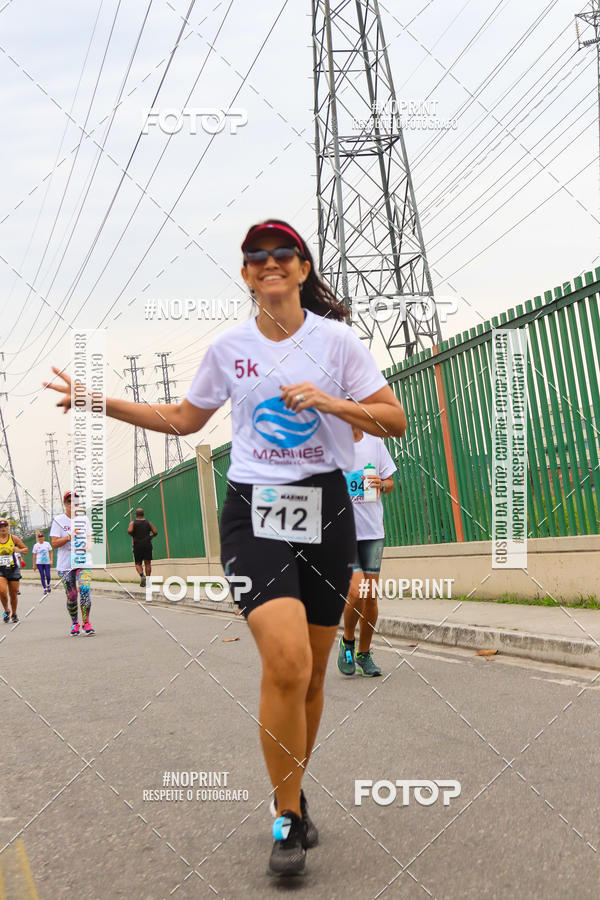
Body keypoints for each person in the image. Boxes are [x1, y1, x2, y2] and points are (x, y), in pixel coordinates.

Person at [45, 218, 406, 877]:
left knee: (317, 671)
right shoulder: (229, 348)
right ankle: (287, 820)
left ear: (301, 268)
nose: (269, 263)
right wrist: (99, 401)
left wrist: (332, 401)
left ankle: (291, 796)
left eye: (282, 254)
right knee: (288, 661)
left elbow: (393, 418)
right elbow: (184, 420)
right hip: (255, 510)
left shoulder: (338, 343)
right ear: (246, 275)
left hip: (326, 508)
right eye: (255, 257)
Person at [338, 427, 396, 677]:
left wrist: (381, 484)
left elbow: (391, 483)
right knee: (356, 591)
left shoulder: (375, 443)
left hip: (373, 533)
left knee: (370, 597)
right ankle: (347, 641)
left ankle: (363, 653)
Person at [50, 491, 94, 636]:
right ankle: (75, 623)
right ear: (65, 504)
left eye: (75, 501)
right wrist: (69, 536)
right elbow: (55, 543)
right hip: (65, 565)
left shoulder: (84, 520)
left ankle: (86, 622)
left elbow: (91, 538)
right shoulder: (59, 520)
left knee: (85, 590)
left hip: (83, 561)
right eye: (69, 501)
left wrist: (88, 546)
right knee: (72, 595)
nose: (72, 504)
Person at [0, 518, 28, 623]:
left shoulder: (14, 538)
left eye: (5, 526)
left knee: (13, 593)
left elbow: (25, 550)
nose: (3, 529)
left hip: (13, 569)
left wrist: (18, 550)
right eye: (0, 527)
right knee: (2, 591)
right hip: (0, 569)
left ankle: (14, 613)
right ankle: (6, 610)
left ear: (8, 528)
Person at [127, 508, 158, 586]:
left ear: (136, 515)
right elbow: (155, 532)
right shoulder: (148, 523)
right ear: (143, 514)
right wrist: (151, 536)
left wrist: (133, 535)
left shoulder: (133, 523)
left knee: (138, 563)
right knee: (148, 563)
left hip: (137, 545)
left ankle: (142, 576)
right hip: (147, 545)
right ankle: (147, 581)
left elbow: (129, 531)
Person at [32, 529, 53, 595]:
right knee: (42, 575)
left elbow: (51, 552)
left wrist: (51, 560)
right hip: (39, 563)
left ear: (43, 538)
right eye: (39, 537)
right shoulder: (36, 545)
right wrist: (34, 565)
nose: (40, 538)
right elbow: (34, 555)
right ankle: (45, 588)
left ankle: (48, 585)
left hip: (47, 562)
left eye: (42, 537)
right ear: (38, 538)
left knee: (48, 575)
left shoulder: (47, 544)